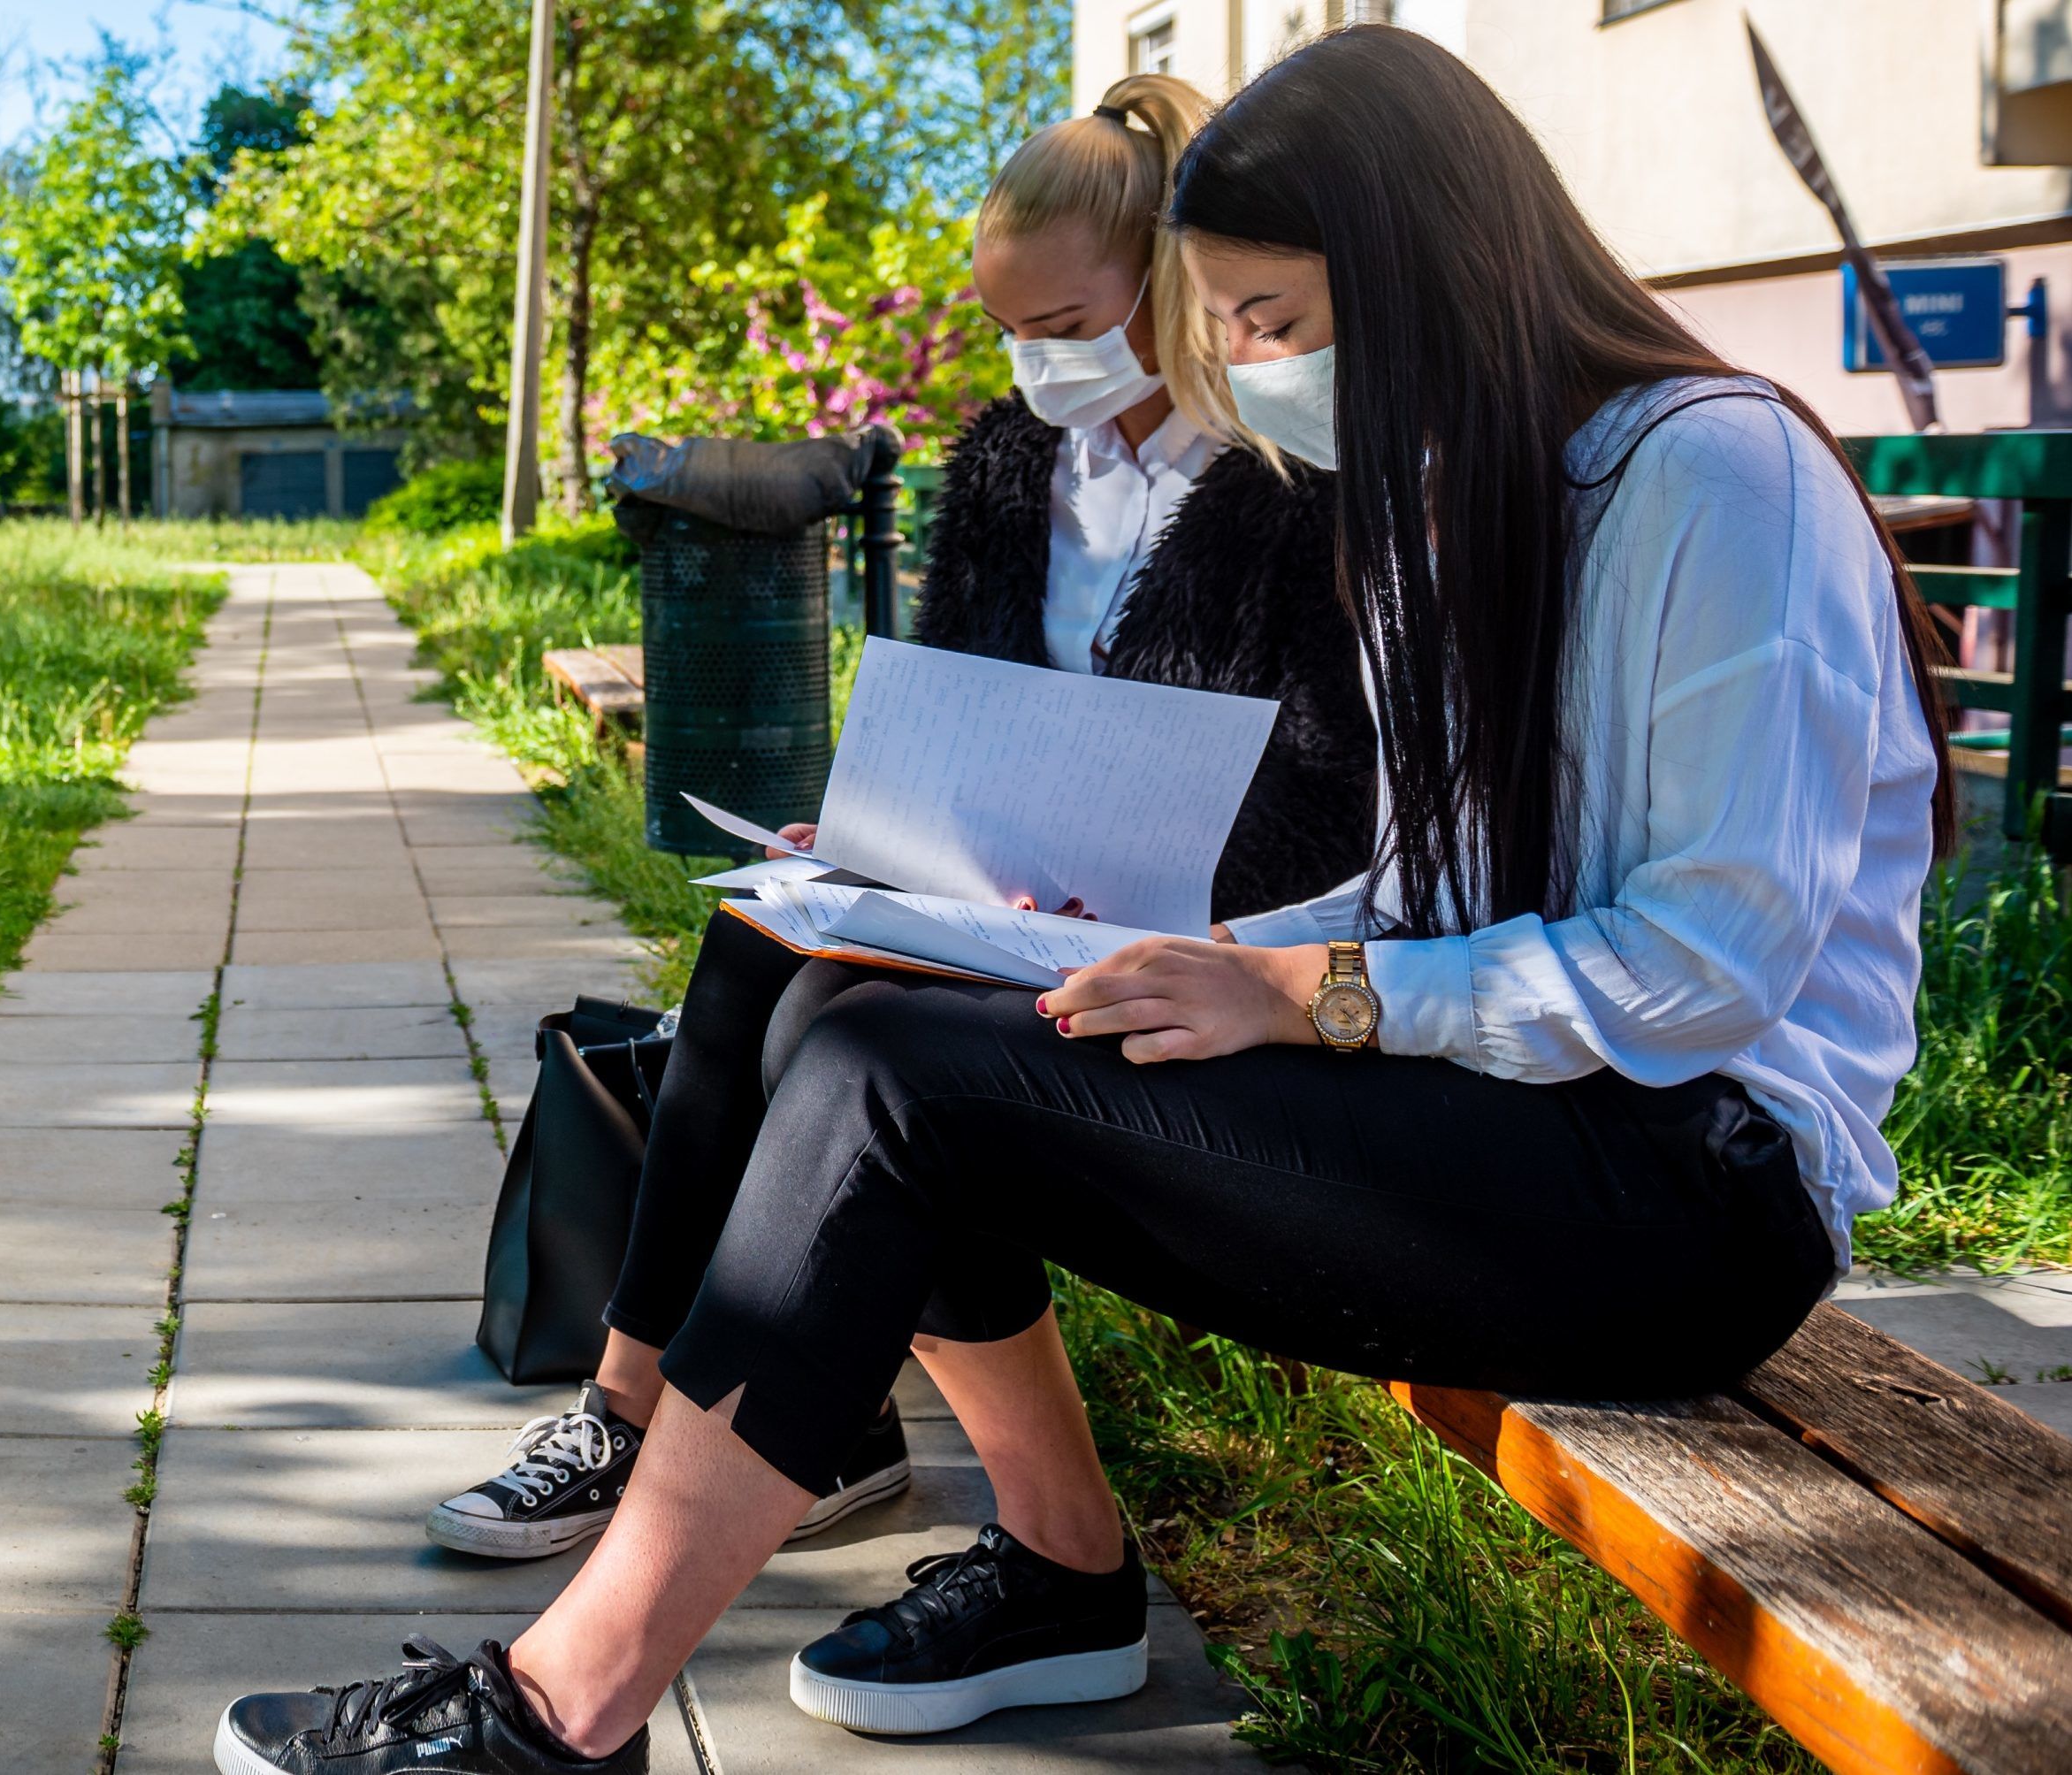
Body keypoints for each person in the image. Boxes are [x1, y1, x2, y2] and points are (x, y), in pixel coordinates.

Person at [214, 25, 1955, 1774]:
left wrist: (1298, 991)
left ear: (1421, 277)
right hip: (1506, 1112)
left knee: (906, 1086)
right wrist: (1173, 954)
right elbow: (1431, 890)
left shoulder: (1710, 478)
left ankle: (553, 1712)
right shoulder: (1452, 504)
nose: (1251, 371)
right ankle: (1053, 1569)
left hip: (1684, 1195)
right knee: (847, 998)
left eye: (1267, 324)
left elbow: (1703, 969)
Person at [424, 68, 1376, 1569]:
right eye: (1006, 329)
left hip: (1183, 928)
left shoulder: (1289, 481)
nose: (1028, 363)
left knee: (840, 1025)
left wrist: (1122, 887)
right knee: (752, 942)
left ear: (1169, 292)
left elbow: (1325, 796)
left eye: (1060, 329)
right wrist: (865, 824)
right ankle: (635, 1410)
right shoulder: (1009, 461)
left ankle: (761, 1431)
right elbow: (956, 702)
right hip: (998, 894)